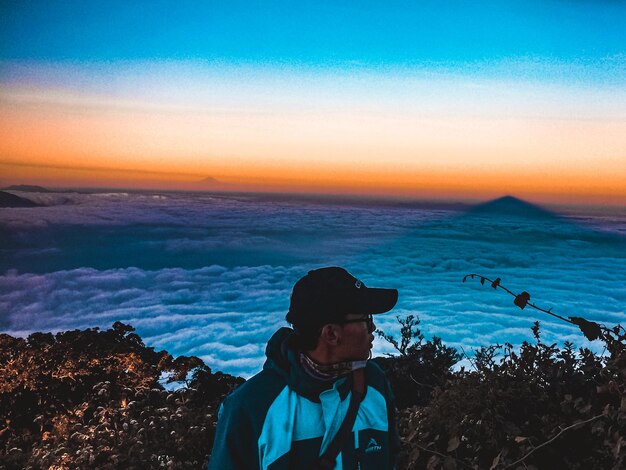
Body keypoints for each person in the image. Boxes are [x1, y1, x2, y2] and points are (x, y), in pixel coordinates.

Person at [208, 266, 400, 470]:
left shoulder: (373, 383)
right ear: (331, 334)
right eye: (366, 319)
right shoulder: (251, 407)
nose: (373, 329)